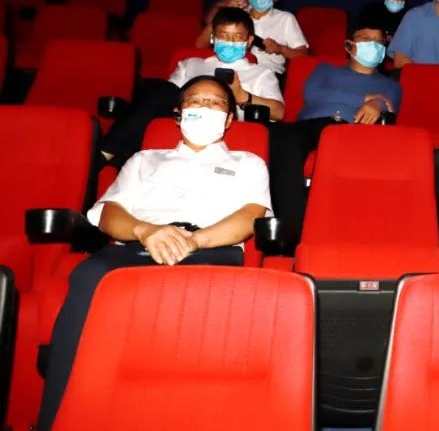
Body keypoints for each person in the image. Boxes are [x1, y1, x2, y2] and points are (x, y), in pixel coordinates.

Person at [37, 76, 273, 431]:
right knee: (87, 274)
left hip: (211, 248)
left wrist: (194, 241)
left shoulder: (249, 163)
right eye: (196, 101)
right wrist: (145, 231)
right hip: (139, 244)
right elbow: (110, 212)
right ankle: (56, 419)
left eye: (215, 103)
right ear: (178, 114)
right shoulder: (143, 160)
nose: (205, 107)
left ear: (228, 120)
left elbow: (250, 216)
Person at [100, 7, 284, 167]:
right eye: (224, 36)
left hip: (227, 133)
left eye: (237, 38)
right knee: (154, 89)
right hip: (182, 128)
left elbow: (279, 112)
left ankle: (106, 156)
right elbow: (162, 100)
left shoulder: (261, 73)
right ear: (213, 38)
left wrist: (243, 96)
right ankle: (111, 155)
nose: (230, 43)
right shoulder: (191, 64)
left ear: (249, 41)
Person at [269, 16, 402, 230]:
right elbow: (313, 94)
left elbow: (389, 104)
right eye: (365, 39)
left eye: (378, 41)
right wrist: (364, 99)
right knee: (281, 137)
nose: (372, 44)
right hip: (311, 125)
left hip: (352, 130)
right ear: (349, 45)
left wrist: (377, 103)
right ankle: (292, 226)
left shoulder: (390, 85)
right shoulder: (325, 70)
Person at [196, 0, 308, 75]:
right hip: (233, 68)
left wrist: (280, 48)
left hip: (268, 72)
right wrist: (224, 13)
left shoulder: (285, 18)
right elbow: (200, 45)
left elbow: (303, 55)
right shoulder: (237, 13)